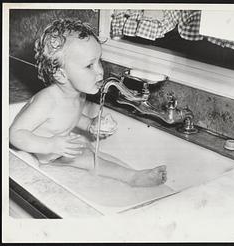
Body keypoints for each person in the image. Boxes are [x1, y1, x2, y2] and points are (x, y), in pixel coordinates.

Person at [9, 19, 167, 187]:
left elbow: (71, 116)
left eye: (99, 61)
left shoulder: (77, 94)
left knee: (91, 151)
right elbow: (16, 134)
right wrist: (50, 144)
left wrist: (91, 124)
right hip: (39, 155)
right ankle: (132, 177)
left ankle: (127, 174)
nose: (100, 71)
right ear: (61, 74)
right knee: (90, 159)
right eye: (89, 66)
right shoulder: (47, 101)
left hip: (58, 148)